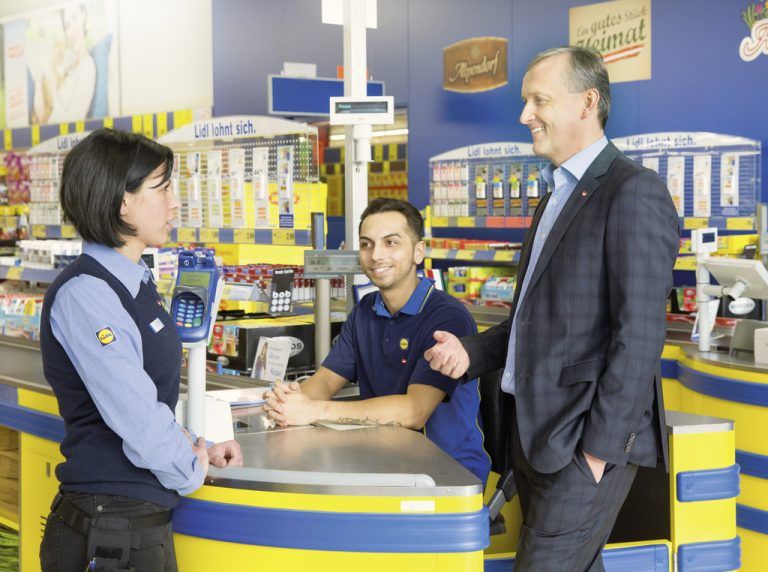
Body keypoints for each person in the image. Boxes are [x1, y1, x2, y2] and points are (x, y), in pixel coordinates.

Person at [425, 46, 679, 571]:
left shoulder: (633, 191)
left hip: (582, 445)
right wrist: (470, 353)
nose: (525, 115)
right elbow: (533, 318)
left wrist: (597, 453)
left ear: (587, 103)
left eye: (539, 100)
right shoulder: (555, 195)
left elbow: (638, 336)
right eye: (526, 101)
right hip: (535, 440)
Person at [39, 128, 243, 572]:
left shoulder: (136, 283)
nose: (175, 203)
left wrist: (198, 446)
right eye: (162, 188)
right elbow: (134, 415)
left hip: (132, 523)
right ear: (122, 201)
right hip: (109, 528)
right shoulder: (87, 293)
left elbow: (147, 400)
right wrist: (190, 469)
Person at [264, 198, 491, 485]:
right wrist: (288, 402)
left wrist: (313, 410)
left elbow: (415, 411)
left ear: (418, 252)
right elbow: (326, 380)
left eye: (391, 243)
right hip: (383, 463)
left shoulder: (447, 318)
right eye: (366, 244)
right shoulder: (366, 310)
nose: (376, 255)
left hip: (446, 474)